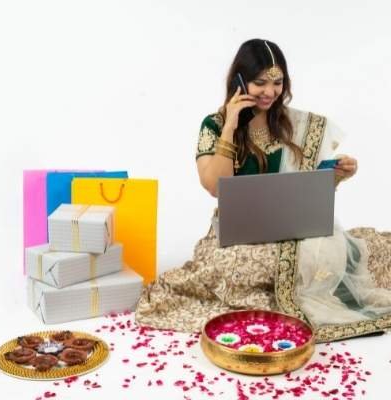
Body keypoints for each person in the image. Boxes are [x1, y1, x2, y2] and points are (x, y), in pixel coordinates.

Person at [135, 39, 391, 342]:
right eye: (259, 83)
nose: (270, 92)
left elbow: (307, 189)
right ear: (240, 81)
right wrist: (231, 125)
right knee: (232, 268)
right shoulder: (214, 125)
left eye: (277, 82)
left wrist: (336, 175)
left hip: (293, 228)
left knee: (368, 249)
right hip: (238, 234)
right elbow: (215, 187)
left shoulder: (294, 124)